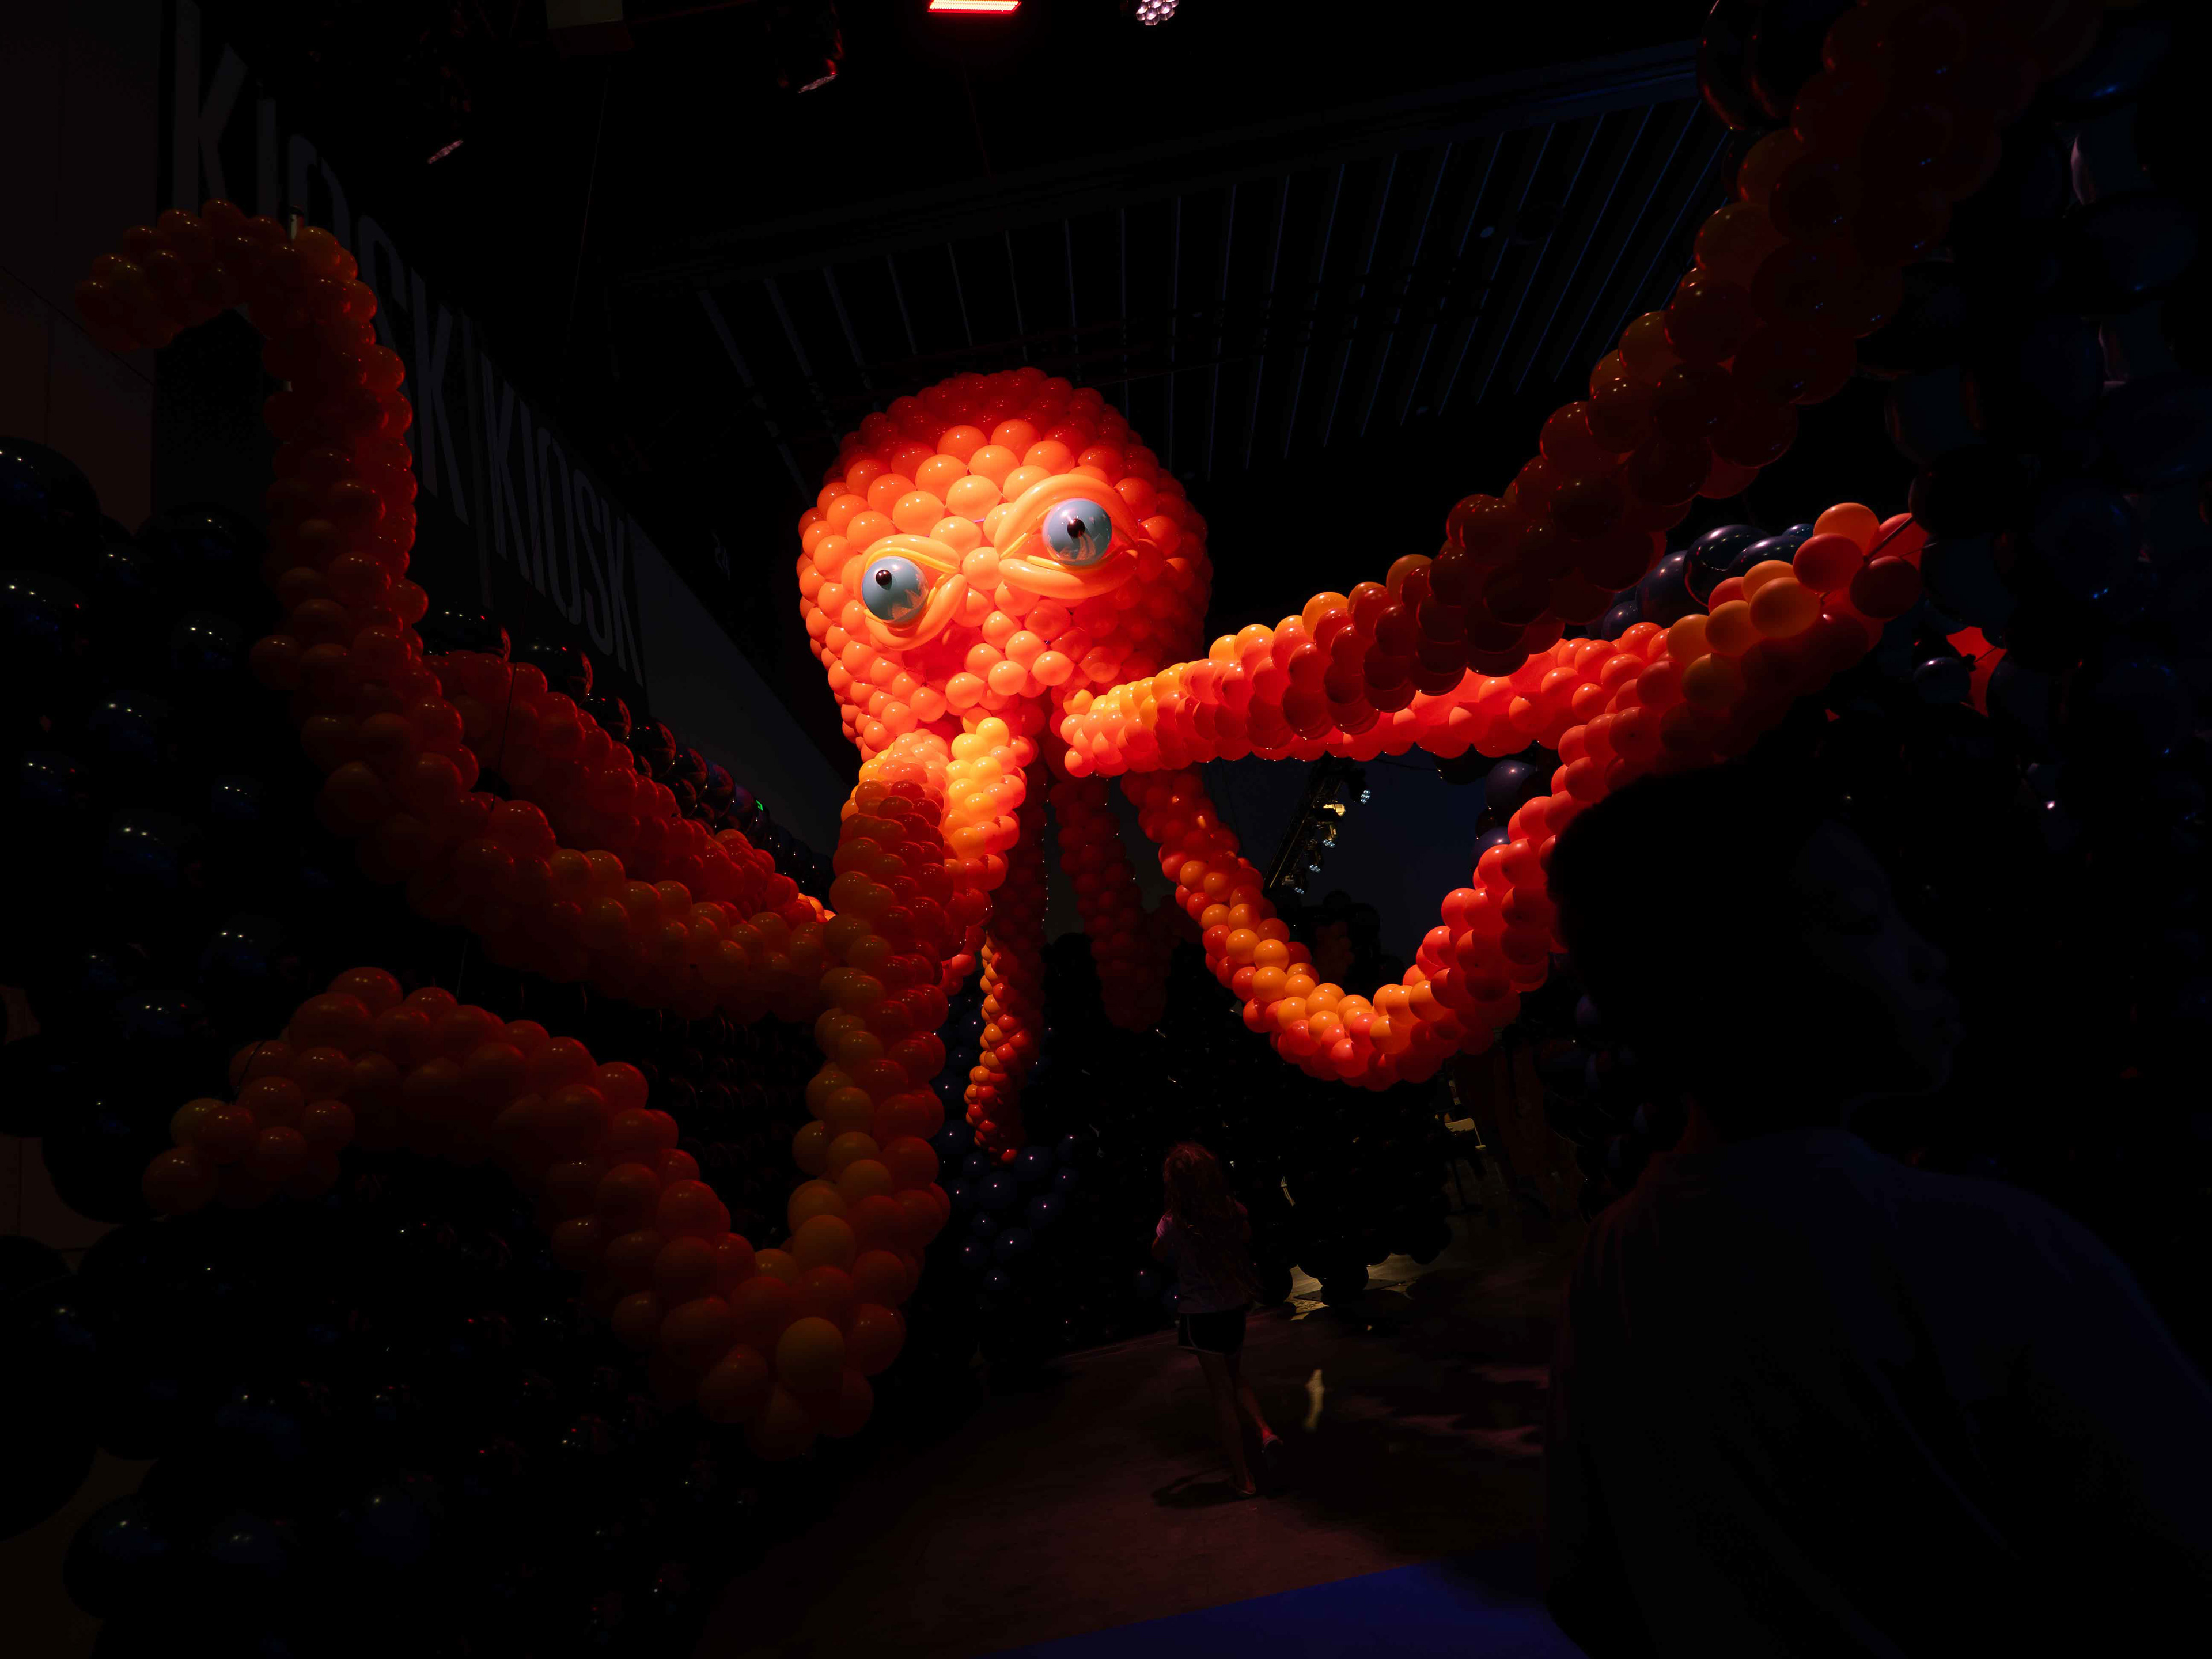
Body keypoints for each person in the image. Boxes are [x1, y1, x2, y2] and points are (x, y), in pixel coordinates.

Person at [1540, 760, 2212, 1655]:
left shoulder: (1608, 1266)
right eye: (1864, 920)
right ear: (1737, 981)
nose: (1928, 956)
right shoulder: (1990, 1250)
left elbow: (1586, 1587)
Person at [1153, 1141, 1281, 1496]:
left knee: (1221, 1394)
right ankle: (1265, 1432)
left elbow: (1157, 1254)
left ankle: (1243, 1479)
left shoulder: (1172, 1222)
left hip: (1201, 1315)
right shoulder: (1229, 1209)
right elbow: (1247, 1235)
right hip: (1233, 1308)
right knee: (1236, 1375)